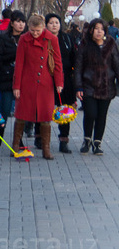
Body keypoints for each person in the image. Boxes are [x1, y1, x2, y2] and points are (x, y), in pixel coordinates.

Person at [11, 15, 63, 160]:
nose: (35, 33)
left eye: (38, 30)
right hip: (27, 82)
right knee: (21, 115)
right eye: (32, 30)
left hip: (45, 83)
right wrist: (17, 86)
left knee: (46, 116)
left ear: (43, 27)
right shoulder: (23, 39)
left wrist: (59, 83)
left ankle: (45, 148)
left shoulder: (52, 39)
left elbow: (58, 63)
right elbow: (19, 63)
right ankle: (16, 145)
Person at [74, 18, 119, 155]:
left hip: (107, 86)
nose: (99, 32)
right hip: (89, 86)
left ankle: (97, 143)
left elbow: (116, 65)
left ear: (105, 31)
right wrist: (79, 87)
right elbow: (78, 68)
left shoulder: (111, 44)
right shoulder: (85, 45)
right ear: (91, 30)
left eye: (101, 29)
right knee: (91, 113)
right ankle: (87, 140)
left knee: (102, 116)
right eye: (96, 29)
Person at [0, 10, 26, 146]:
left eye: (23, 22)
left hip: (23, 80)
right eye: (18, 21)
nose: (21, 24)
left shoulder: (27, 39)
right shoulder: (3, 39)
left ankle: (19, 139)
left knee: (21, 112)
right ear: (12, 23)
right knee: (4, 110)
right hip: (6, 78)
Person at [45, 13, 77, 153]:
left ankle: (63, 140)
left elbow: (73, 57)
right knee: (44, 108)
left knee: (65, 109)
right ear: (46, 25)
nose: (54, 25)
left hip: (65, 78)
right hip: (46, 78)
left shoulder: (67, 38)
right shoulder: (42, 38)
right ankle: (40, 137)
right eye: (51, 22)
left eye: (56, 22)